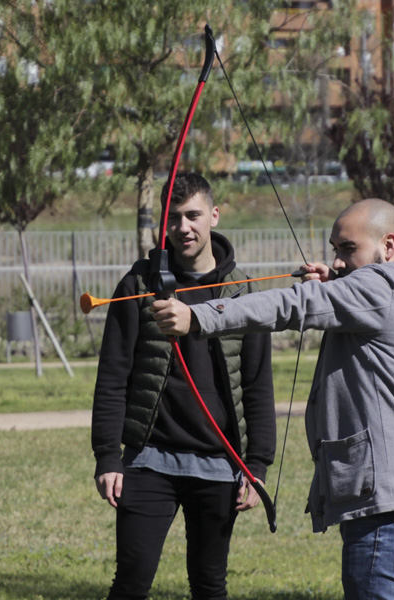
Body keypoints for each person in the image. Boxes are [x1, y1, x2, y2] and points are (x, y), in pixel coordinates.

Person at [152, 198, 394, 599]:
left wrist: (199, 315)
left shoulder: (379, 287)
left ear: (388, 246)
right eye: (336, 249)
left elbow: (293, 304)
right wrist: (341, 286)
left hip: (387, 510)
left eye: (348, 249)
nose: (336, 261)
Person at [91, 173, 276, 600]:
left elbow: (257, 386)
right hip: (148, 461)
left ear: (214, 215)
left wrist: (258, 465)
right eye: (173, 218)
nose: (183, 228)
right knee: (131, 582)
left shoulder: (243, 291)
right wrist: (107, 457)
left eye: (193, 215)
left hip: (219, 464)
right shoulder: (139, 284)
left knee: (210, 586)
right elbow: (113, 376)